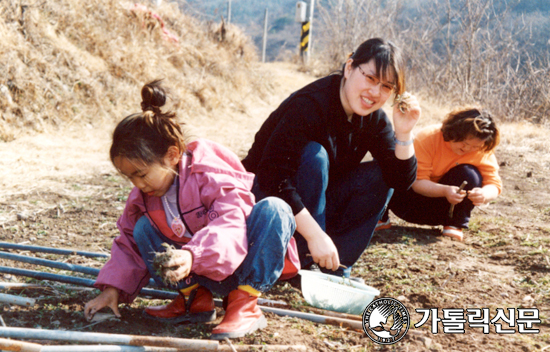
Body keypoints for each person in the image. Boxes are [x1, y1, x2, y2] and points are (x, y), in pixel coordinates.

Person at [83, 80, 298, 340]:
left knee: (275, 210)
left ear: (172, 155)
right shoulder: (144, 195)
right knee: (141, 228)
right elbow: (128, 241)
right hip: (194, 272)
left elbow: (231, 223)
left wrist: (193, 255)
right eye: (130, 178)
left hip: (238, 264)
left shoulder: (208, 173)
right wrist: (112, 290)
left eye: (141, 174)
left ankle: (244, 303)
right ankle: (194, 300)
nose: (138, 184)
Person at [241, 38, 421, 277]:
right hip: (267, 201)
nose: (375, 93)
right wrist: (316, 235)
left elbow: (400, 182)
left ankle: (335, 266)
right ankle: (305, 259)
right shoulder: (310, 105)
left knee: (381, 176)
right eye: (370, 78)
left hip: (315, 206)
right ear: (349, 68)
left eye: (387, 87)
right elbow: (272, 177)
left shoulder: (373, 118)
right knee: (315, 155)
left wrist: (405, 133)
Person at [377, 107, 502, 241]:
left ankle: (454, 224)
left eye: (475, 147)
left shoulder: (482, 149)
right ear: (454, 132)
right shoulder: (428, 138)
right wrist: (445, 191)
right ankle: (379, 217)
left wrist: (485, 194)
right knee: (387, 162)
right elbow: (416, 182)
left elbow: (494, 184)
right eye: (465, 143)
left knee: (470, 174)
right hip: (408, 204)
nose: (468, 149)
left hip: (444, 210)